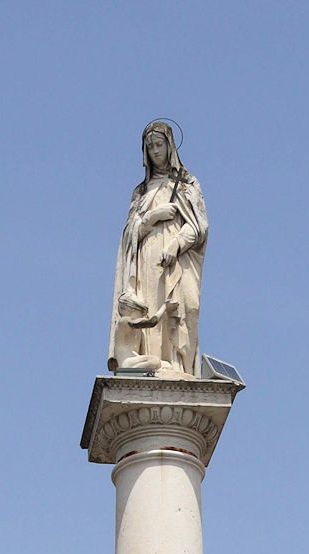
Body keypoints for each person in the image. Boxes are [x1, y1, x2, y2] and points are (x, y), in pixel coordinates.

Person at [108, 122, 208, 378]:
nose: (155, 151)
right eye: (150, 146)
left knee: (186, 308)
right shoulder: (141, 192)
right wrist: (152, 217)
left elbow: (199, 227)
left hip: (178, 261)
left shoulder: (187, 184)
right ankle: (155, 362)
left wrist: (176, 244)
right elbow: (129, 235)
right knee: (151, 309)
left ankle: (178, 365)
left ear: (170, 146)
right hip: (148, 262)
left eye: (159, 145)